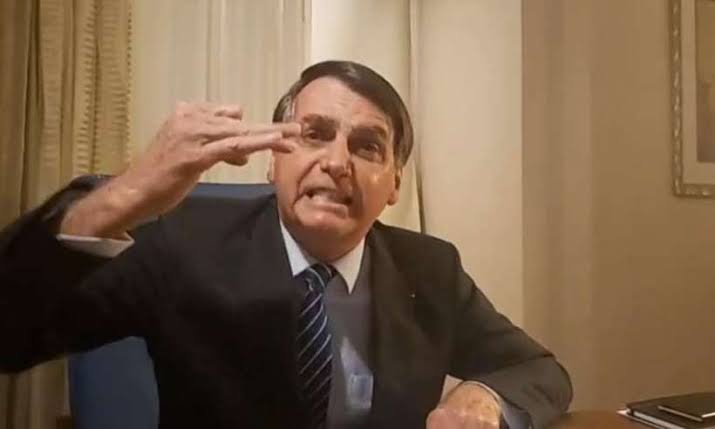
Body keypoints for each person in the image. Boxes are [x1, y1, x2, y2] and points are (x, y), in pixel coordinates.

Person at [0, 60, 571, 429]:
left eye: (367, 147)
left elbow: (538, 369)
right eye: (314, 135)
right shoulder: (185, 244)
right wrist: (123, 196)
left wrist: (484, 397)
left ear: (395, 183)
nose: (337, 162)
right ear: (273, 160)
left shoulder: (430, 268)